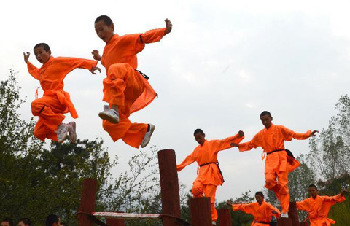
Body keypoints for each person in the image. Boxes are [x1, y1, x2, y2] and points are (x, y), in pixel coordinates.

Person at [92, 15, 172, 148]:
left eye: (102, 29)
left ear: (111, 27)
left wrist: (164, 31)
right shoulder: (106, 52)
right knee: (109, 124)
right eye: (97, 32)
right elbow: (107, 60)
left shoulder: (123, 41)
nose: (100, 34)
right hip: (123, 92)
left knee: (115, 68)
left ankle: (115, 110)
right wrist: (99, 57)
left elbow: (143, 37)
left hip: (132, 80)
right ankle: (144, 129)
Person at [230, 111, 318, 217]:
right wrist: (238, 146)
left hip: (281, 157)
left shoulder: (280, 129)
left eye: (266, 119)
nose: (265, 122)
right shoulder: (260, 134)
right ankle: (282, 196)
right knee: (269, 181)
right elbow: (251, 144)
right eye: (263, 120)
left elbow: (293, 134)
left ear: (271, 118)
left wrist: (308, 134)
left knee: (283, 184)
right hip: (270, 159)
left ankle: (285, 210)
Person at [23, 43, 100, 143]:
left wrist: (90, 66)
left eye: (41, 53)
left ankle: (61, 126)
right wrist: (27, 62)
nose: (38, 56)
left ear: (49, 52)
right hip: (48, 106)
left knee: (35, 104)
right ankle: (69, 126)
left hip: (57, 99)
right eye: (36, 54)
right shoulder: (42, 71)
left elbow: (73, 62)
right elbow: (34, 71)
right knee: (39, 133)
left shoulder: (56, 62)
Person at [177, 129, 244, 225]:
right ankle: (201, 211)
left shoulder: (212, 144)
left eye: (199, 138)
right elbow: (189, 158)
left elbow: (224, 142)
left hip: (211, 172)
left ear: (203, 135)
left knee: (209, 197)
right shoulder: (197, 149)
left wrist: (237, 136)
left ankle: (212, 219)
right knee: (195, 189)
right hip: (201, 173)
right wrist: (178, 167)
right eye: (196, 139)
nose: (198, 140)